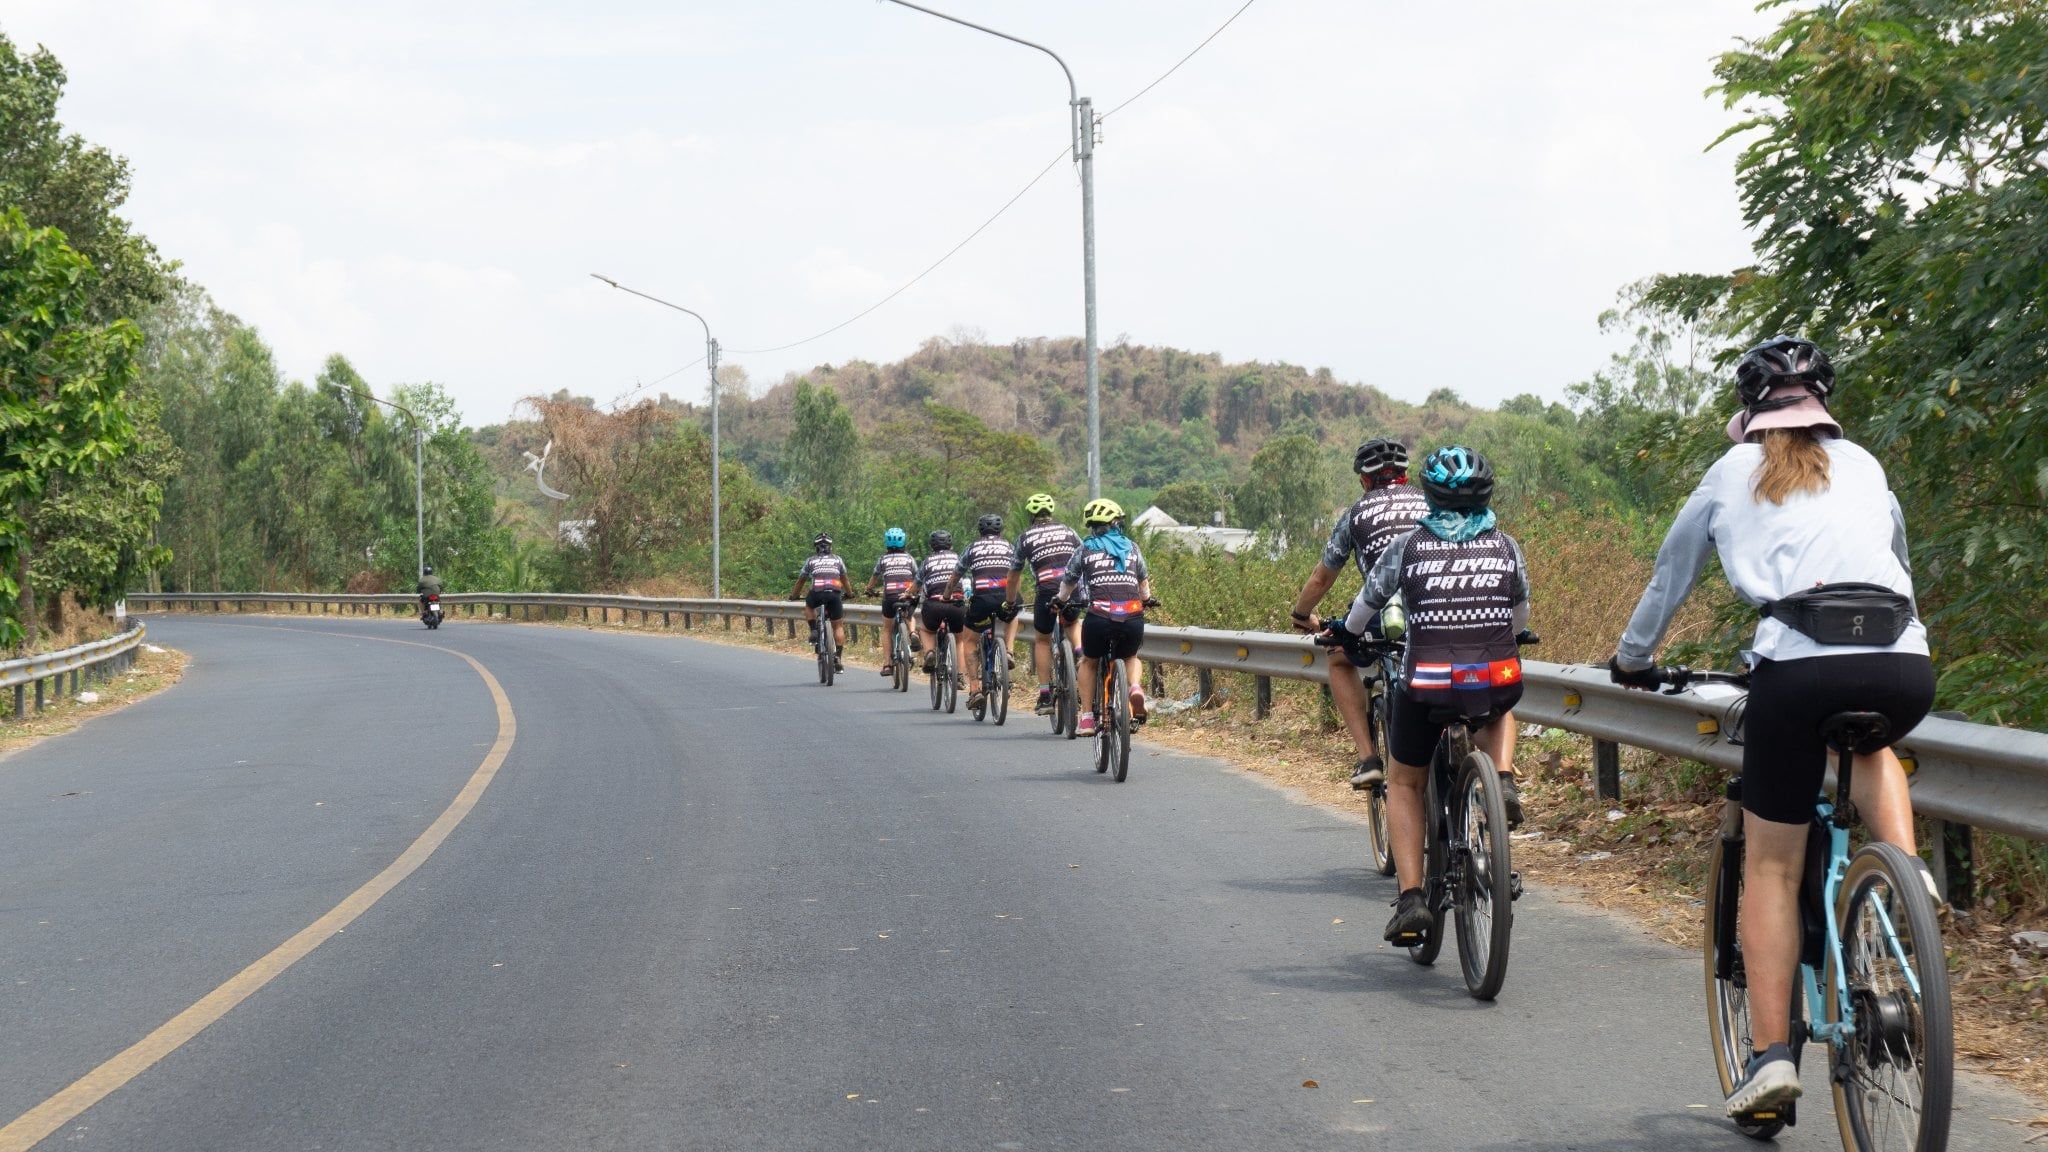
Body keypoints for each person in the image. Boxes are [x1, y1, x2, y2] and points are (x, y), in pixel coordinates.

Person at [1608, 336, 1935, 1119]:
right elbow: (1896, 560)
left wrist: (1633, 658)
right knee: (1873, 741)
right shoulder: (1865, 465)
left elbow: (1670, 571)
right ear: (1824, 406)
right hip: (1902, 662)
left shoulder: (1730, 472)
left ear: (1750, 411)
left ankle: (1771, 1060)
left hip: (1798, 665)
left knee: (1774, 870)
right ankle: (1905, 883)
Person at [1321, 445, 1530, 945]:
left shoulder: (1407, 549)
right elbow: (1518, 618)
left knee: (1406, 782)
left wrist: (1347, 636)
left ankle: (1412, 897)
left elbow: (1362, 610)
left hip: (1427, 684)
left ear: (1429, 498)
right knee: (1500, 699)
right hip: (1491, 679)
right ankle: (1500, 779)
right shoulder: (1506, 546)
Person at [1289, 438, 1430, 788]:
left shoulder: (1355, 514)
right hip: (1436, 605)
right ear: (1405, 474)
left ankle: (1368, 758)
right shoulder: (1432, 504)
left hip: (1381, 612)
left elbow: (1322, 577)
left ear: (1364, 481)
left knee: (1338, 657)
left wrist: (1301, 614)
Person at [1052, 499, 1153, 737]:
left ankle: (1086, 717)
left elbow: (1068, 583)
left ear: (1091, 526)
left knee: (1089, 660)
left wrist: (1060, 600)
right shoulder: (1132, 547)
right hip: (1131, 616)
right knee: (1130, 656)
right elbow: (1143, 585)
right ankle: (1135, 688)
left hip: (1099, 617)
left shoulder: (1084, 549)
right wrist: (1146, 600)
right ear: (1116, 523)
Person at [1006, 493, 1083, 715]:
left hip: (1047, 590)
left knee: (1042, 640)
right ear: (1051, 513)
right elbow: (1083, 556)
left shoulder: (1024, 538)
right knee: (1071, 623)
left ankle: (1045, 696)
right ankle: (1079, 651)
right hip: (1071, 587)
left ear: (1030, 515)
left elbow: (1013, 575)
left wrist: (1011, 602)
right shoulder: (1068, 531)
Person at [945, 513, 1020, 710]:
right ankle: (1009, 651)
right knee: (1013, 615)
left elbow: (956, 575)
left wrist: (946, 595)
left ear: (980, 531)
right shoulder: (1009, 546)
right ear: (1000, 531)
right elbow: (1016, 571)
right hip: (1006, 597)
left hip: (982, 600)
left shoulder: (972, 547)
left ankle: (975, 689)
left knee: (969, 640)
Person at [864, 527, 922, 676]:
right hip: (907, 594)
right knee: (909, 615)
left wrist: (869, 589)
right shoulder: (909, 558)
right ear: (904, 542)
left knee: (887, 629)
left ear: (886, 543)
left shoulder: (883, 559)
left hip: (889, 596)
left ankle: (887, 665)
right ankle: (912, 633)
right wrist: (916, 592)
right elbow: (917, 576)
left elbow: (875, 576)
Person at [789, 533, 848, 671]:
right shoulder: (838, 560)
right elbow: (844, 579)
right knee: (838, 626)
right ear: (831, 546)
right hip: (834, 594)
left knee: (809, 606)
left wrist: (794, 595)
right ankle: (838, 657)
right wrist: (850, 594)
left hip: (817, 593)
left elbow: (801, 580)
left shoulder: (811, 561)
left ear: (816, 547)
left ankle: (814, 630)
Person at [916, 529, 966, 681]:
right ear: (950, 545)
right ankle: (959, 676)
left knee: (926, 630)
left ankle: (930, 652)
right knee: (960, 640)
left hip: (934, 605)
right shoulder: (958, 558)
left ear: (932, 546)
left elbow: (917, 584)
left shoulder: (927, 561)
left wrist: (908, 593)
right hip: (956, 603)